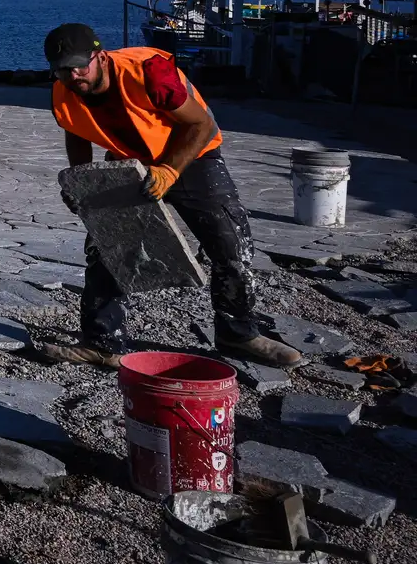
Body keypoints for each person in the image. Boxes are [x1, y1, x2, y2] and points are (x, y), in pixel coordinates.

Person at [41, 23, 301, 369]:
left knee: (230, 244)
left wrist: (170, 171)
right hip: (130, 160)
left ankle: (238, 333)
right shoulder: (64, 90)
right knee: (108, 246)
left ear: (99, 56)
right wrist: (80, 181)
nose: (73, 75)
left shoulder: (150, 73)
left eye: (80, 65)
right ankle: (102, 342)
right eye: (63, 69)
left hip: (191, 154)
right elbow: (75, 132)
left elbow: (202, 124)